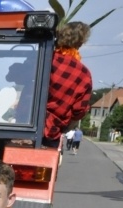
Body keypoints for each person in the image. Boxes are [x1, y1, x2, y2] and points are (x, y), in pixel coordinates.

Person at [43, 21, 92, 149]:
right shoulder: (83, 74)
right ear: (80, 43)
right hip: (52, 131)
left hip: (26, 124)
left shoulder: (43, 58)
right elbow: (79, 110)